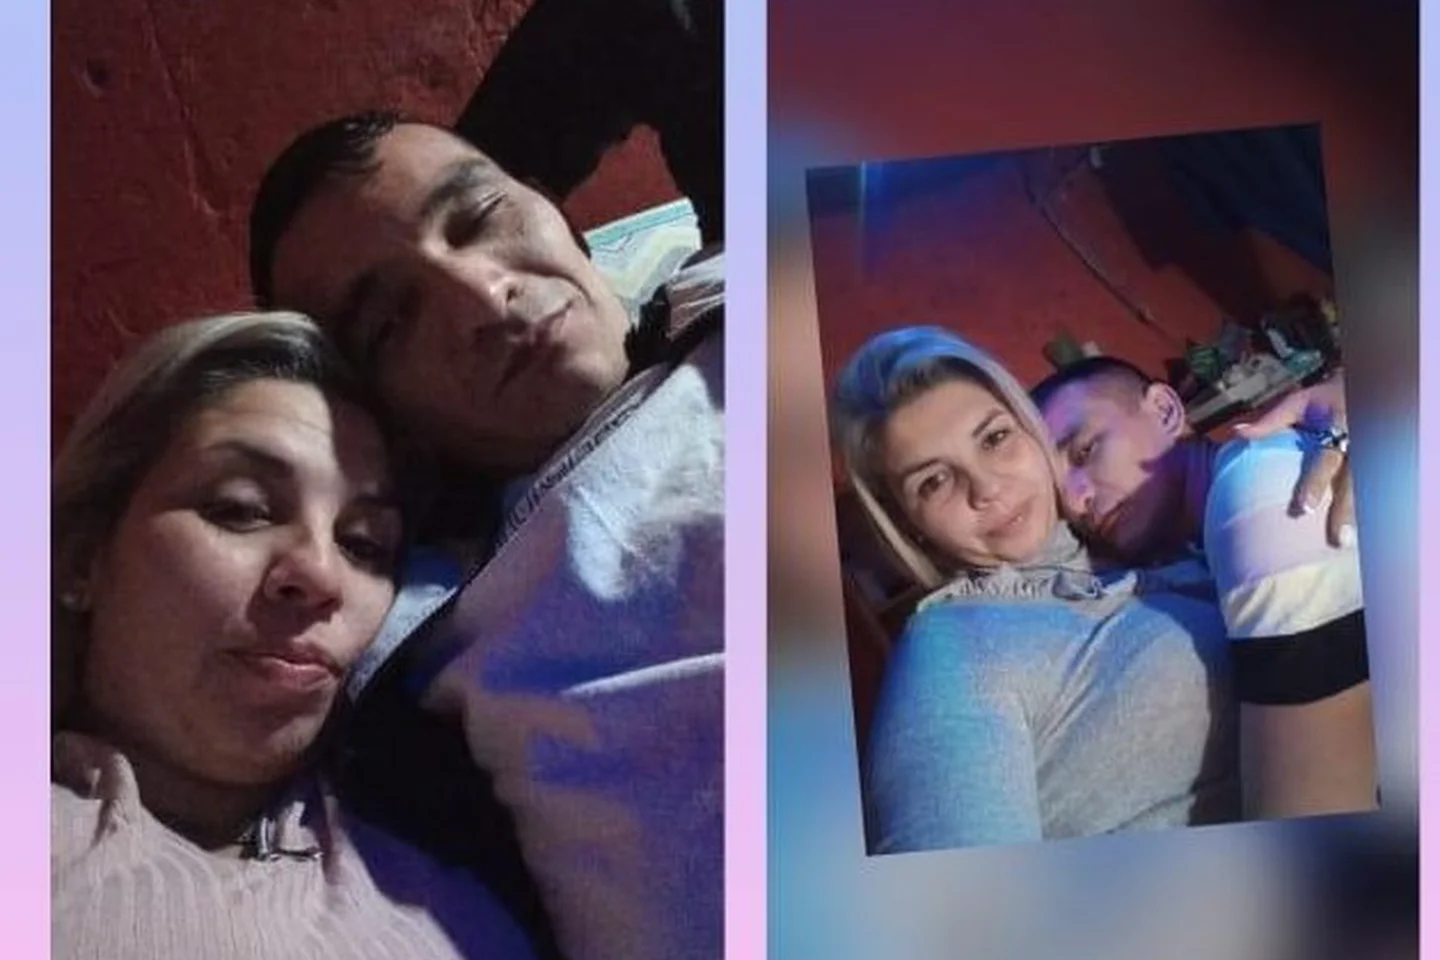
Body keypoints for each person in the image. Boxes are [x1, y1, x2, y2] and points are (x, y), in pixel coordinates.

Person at [246, 110, 723, 960]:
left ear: (555, 209)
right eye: (392, 322)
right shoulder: (418, 614)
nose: (483, 296)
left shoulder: (738, 289)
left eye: (480, 217)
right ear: (386, 421)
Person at [51, 312, 538, 960]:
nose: (320, 574)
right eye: (241, 508)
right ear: (83, 558)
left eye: (364, 544)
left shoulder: (465, 857)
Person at [832, 326, 1240, 851]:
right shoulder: (954, 648)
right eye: (933, 481)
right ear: (911, 526)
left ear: (1032, 433)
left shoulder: (1135, 540)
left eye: (994, 438)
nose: (987, 488)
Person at [1032, 357, 1375, 820]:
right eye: (1059, 497)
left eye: (1085, 450)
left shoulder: (1261, 505)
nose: (1077, 502)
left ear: (1166, 411)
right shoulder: (1200, 539)